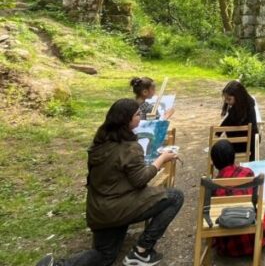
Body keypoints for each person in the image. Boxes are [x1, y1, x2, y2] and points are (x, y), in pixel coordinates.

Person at [36, 99, 183, 266]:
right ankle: (142, 250)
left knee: (105, 256)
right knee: (175, 196)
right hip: (117, 208)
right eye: (136, 114)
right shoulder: (130, 148)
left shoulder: (100, 142)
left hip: (99, 210)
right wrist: (162, 159)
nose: (140, 116)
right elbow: (140, 180)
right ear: (125, 120)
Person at [209, 140, 265, 257]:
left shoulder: (212, 185)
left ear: (214, 163)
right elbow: (255, 201)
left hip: (226, 244)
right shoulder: (247, 172)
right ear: (234, 156)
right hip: (253, 236)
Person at [220, 80, 259, 160]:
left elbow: (252, 129)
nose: (227, 102)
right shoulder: (242, 104)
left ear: (238, 97)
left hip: (245, 143)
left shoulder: (247, 108)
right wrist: (218, 133)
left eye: (229, 99)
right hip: (245, 141)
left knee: (220, 148)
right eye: (226, 99)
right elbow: (227, 121)